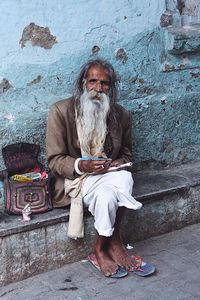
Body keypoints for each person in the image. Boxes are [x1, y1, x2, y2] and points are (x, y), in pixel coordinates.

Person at [46, 59, 143, 278]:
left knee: (119, 182)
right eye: (93, 82)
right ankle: (113, 242)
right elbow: (54, 160)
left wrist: (115, 163)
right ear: (83, 83)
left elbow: (127, 154)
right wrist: (83, 164)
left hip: (106, 177)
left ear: (111, 87)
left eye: (105, 84)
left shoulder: (121, 115)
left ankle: (101, 247)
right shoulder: (61, 111)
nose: (98, 89)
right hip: (75, 182)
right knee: (116, 188)